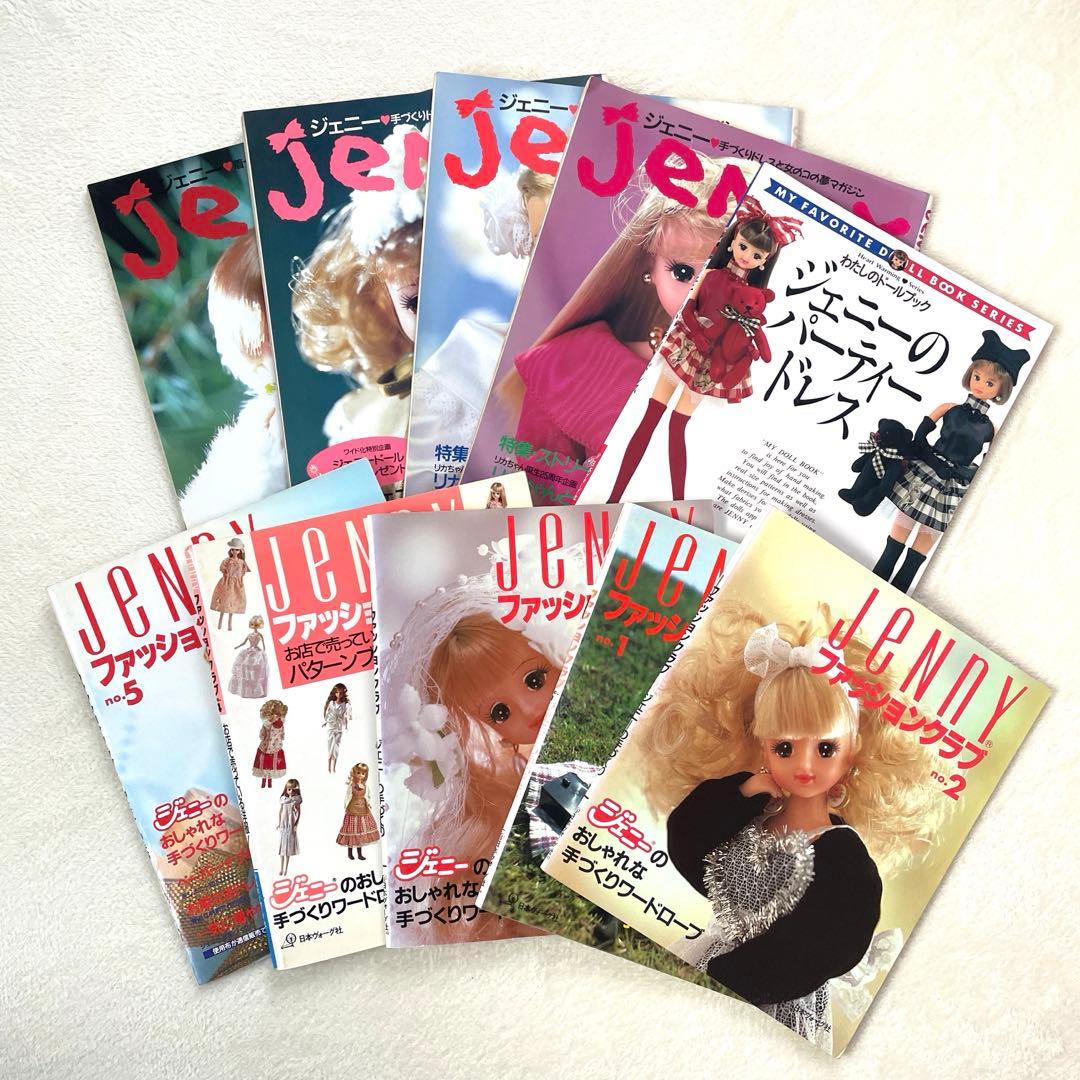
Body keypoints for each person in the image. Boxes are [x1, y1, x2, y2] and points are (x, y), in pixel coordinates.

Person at [636, 602, 947, 1051]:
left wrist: (733, 978)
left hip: (777, 998)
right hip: (711, 961)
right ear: (761, 743)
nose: (804, 765)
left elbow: (830, 941)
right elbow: (689, 850)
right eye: (784, 748)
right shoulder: (751, 817)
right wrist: (742, 793)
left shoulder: (841, 857)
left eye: (825, 749)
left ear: (853, 750)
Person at [872, 330, 1030, 592]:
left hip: (952, 487)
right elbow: (920, 435)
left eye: (989, 383)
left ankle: (896, 594)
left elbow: (993, 464)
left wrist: (968, 474)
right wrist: (927, 457)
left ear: (1001, 389)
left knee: (917, 554)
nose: (980, 385)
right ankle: (872, 585)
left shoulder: (991, 428)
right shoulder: (949, 408)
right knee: (895, 541)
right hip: (924, 474)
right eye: (977, 377)